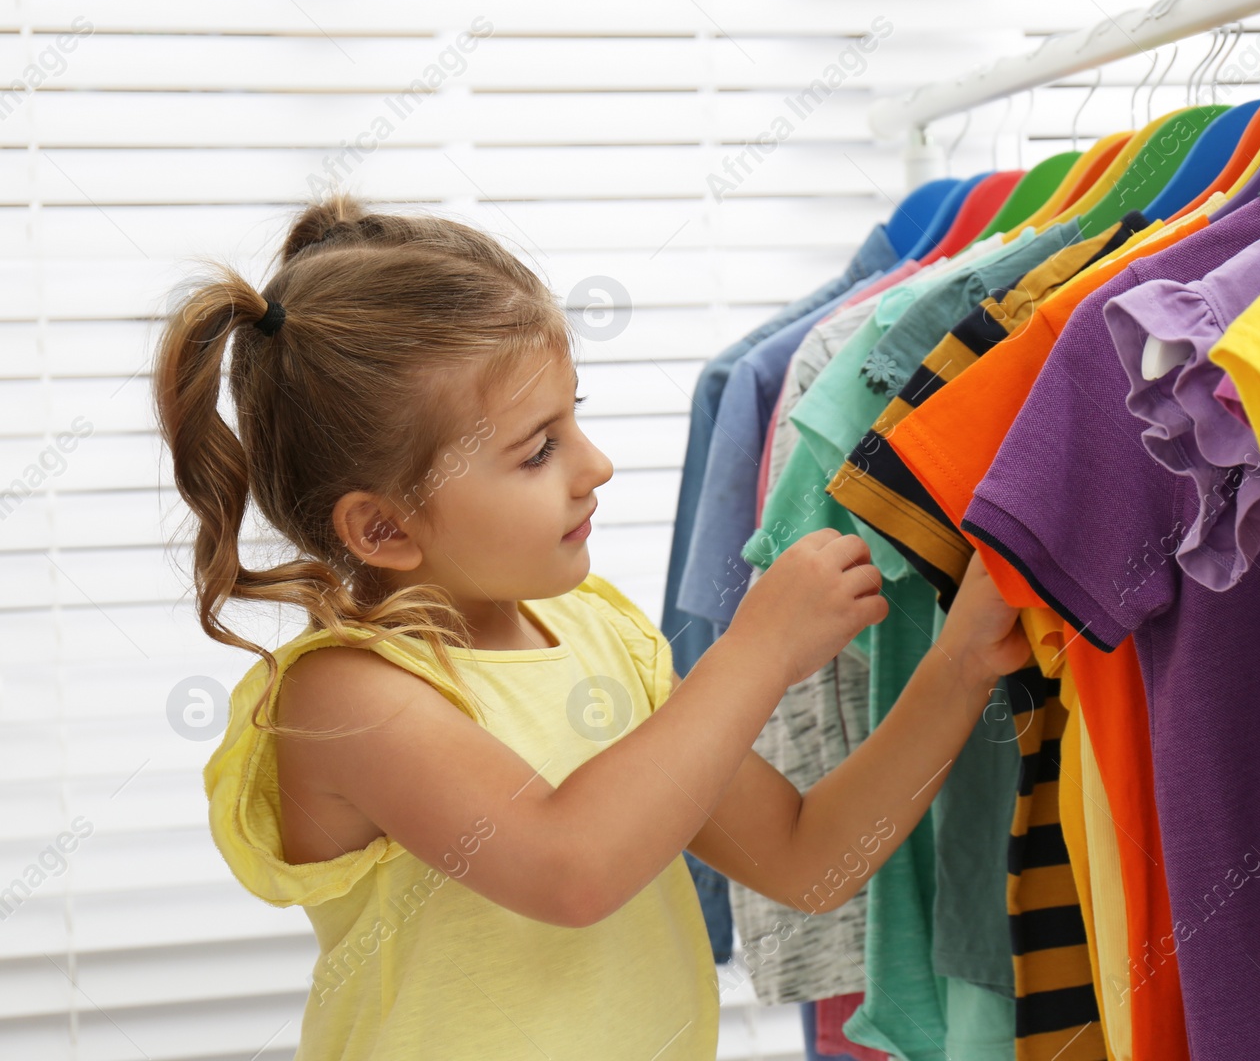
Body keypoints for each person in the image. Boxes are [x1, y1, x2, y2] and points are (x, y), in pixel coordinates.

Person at [154, 192, 1029, 1059]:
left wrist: (957, 667)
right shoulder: (343, 698)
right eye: (538, 449)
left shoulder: (596, 631)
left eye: (576, 416)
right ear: (383, 527)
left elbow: (812, 865)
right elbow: (570, 867)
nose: (595, 465)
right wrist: (759, 652)